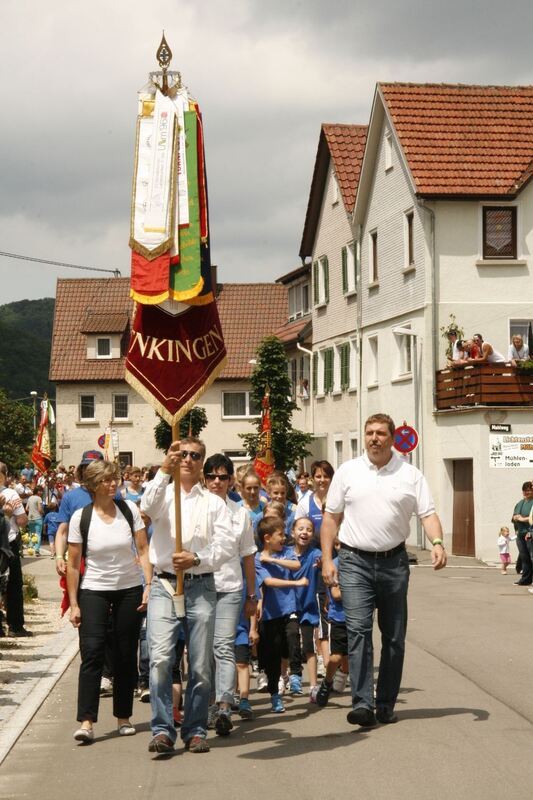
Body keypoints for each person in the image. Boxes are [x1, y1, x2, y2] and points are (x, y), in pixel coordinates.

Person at [321, 413, 447, 727]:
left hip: (394, 563)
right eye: (369, 433)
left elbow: (428, 514)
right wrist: (327, 560)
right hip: (354, 562)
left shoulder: (410, 475)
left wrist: (437, 542)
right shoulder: (348, 471)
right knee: (358, 631)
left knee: (393, 637)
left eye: (380, 433)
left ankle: (385, 704)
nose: (374, 439)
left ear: (392, 438)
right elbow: (331, 518)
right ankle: (362, 704)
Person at [141, 437, 234, 754]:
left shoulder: (214, 503)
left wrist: (196, 559)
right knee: (160, 659)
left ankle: (195, 729)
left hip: (200, 585)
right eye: (183, 455)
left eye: (195, 455)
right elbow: (147, 508)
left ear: (202, 462)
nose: (188, 460)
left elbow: (225, 546)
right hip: (164, 584)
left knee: (200, 665)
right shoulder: (164, 494)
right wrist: (162, 471)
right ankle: (162, 729)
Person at [66, 460, 151, 743]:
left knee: (125, 653)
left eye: (115, 478)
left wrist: (149, 585)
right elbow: (73, 564)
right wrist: (74, 603)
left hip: (129, 588)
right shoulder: (81, 517)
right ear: (93, 485)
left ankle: (123, 717)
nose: (113, 484)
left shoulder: (129, 510)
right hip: (94, 589)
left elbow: (143, 549)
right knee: (92, 652)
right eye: (106, 480)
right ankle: (86, 721)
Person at [203, 453, 257, 737]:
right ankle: (208, 703)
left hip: (230, 588)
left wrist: (252, 594)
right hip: (200, 587)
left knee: (223, 646)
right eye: (211, 476)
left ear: (230, 481)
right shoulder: (195, 509)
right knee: (204, 651)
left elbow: (248, 556)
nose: (217, 482)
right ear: (204, 479)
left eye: (222, 477)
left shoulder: (240, 513)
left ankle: (224, 705)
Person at [254, 517, 307, 714]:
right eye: (280, 535)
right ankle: (275, 695)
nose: (284, 538)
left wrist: (274, 560)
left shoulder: (285, 552)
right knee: (273, 656)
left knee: (293, 636)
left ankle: (295, 674)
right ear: (267, 538)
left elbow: (296, 565)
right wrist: (296, 583)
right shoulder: (257, 559)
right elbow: (268, 582)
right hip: (270, 614)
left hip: (289, 608)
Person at [288, 516, 322, 701]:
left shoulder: (316, 554)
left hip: (308, 607)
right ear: (292, 532)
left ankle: (314, 686)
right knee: (290, 639)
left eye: (309, 529)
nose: (305, 532)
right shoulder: (285, 554)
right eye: (300, 528)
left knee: (309, 645)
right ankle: (286, 676)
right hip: (288, 606)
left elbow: (327, 564)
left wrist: (323, 565)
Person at [0, 462, 31, 637]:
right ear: (5, 476)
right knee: (13, 584)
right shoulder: (10, 494)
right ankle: (15, 625)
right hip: (7, 543)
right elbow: (22, 521)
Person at [315, 550, 349, 708]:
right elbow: (336, 594)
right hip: (340, 618)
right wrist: (361, 591)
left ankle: (366, 690)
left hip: (359, 617)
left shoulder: (363, 562)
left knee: (361, 655)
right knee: (336, 657)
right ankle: (327, 682)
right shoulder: (334, 564)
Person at [511, 482, 533, 586]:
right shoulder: (520, 503)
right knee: (525, 558)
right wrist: (515, 518)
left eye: (529, 490)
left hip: (530, 534)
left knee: (532, 557)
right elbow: (514, 517)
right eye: (524, 490)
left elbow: (531, 518)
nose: (526, 492)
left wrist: (522, 519)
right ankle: (526, 579)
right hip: (520, 535)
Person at [26, 487, 44, 556]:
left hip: (30, 518)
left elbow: (26, 508)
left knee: (32, 534)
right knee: (38, 534)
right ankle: (37, 550)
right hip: (38, 518)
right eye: (40, 491)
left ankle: (30, 549)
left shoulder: (30, 498)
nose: (41, 492)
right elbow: (40, 509)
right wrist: (43, 512)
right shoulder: (39, 498)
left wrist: (32, 511)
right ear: (37, 491)